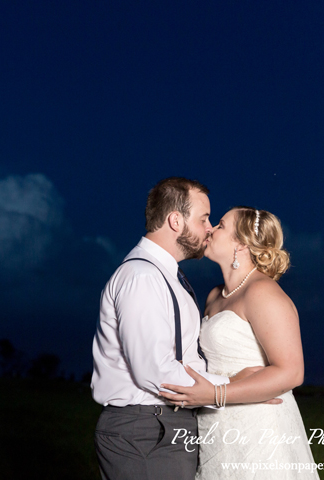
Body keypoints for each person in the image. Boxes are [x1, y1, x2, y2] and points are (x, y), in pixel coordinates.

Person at [91, 178, 263, 480]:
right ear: (175, 220)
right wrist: (231, 386)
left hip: (162, 427)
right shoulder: (142, 276)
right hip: (145, 430)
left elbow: (185, 357)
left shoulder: (167, 276)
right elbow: (154, 372)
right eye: (203, 219)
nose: (209, 228)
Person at [159, 207, 318, 479]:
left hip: (258, 426)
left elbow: (292, 372)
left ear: (241, 243)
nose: (210, 229)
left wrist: (215, 394)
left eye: (220, 225)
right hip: (217, 427)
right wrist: (223, 386)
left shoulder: (262, 292)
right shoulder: (214, 296)